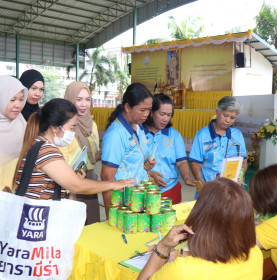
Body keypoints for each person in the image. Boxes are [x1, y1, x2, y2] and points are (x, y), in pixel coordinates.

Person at [137, 177, 263, 280]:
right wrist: (180, 253)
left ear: (200, 215)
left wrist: (162, 247)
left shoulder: (181, 271)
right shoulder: (255, 254)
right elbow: (220, 253)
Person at [13, 98, 135, 200]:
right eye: (72, 127)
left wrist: (73, 186)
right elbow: (77, 186)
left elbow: (70, 187)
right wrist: (112, 184)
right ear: (55, 127)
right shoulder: (46, 151)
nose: (73, 132)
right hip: (38, 222)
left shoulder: (37, 144)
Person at [101, 83, 155, 218]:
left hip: (139, 199)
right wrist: (111, 216)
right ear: (127, 107)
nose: (146, 114)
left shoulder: (139, 127)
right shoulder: (116, 134)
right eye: (142, 110)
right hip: (124, 204)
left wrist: (147, 164)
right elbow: (107, 178)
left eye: (149, 110)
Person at [189, 96, 247, 198]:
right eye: (225, 115)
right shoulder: (202, 134)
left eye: (232, 118)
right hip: (208, 188)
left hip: (231, 190)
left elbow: (243, 161)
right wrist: (200, 182)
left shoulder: (237, 135)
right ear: (217, 112)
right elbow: (196, 163)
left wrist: (240, 177)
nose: (228, 120)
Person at [60, 81, 101, 224]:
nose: (84, 104)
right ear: (70, 99)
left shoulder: (92, 125)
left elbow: (94, 154)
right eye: (78, 99)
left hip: (89, 178)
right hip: (68, 180)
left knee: (92, 222)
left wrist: (98, 155)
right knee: (72, 225)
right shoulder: (62, 125)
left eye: (87, 99)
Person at [142, 93, 195, 204]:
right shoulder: (138, 133)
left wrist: (186, 177)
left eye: (169, 115)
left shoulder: (174, 135)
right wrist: (149, 174)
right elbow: (130, 164)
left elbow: (181, 162)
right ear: (151, 113)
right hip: (143, 191)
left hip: (170, 189)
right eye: (162, 114)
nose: (166, 119)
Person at [0, 75, 28, 191]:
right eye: (12, 100)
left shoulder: (24, 126)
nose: (18, 105)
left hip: (19, 197)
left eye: (21, 99)